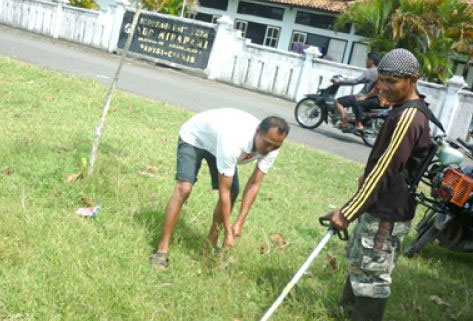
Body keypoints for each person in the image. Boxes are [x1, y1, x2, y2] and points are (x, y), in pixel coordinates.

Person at [324, 48, 440, 321]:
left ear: (413, 80)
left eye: (391, 82)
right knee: (360, 262)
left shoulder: (409, 117)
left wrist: (347, 211)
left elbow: (386, 169)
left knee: (373, 277)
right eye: (382, 80)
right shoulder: (402, 109)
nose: (383, 88)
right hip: (378, 204)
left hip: (388, 212)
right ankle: (346, 312)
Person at [151, 108, 289, 270]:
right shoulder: (234, 140)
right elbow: (223, 190)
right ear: (258, 131)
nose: (268, 150)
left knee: (233, 192)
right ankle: (162, 249)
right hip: (196, 137)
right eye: (266, 143)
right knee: (184, 189)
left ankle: (209, 245)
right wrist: (229, 232)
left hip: (218, 142)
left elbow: (254, 184)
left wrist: (239, 222)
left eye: (275, 146)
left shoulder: (272, 146)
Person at [332, 52, 381, 132]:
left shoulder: (369, 71)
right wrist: (346, 79)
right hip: (373, 98)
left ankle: (345, 123)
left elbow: (356, 81)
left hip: (363, 97)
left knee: (338, 102)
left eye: (367, 60)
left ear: (371, 61)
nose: (365, 62)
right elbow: (360, 80)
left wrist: (340, 82)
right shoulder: (378, 72)